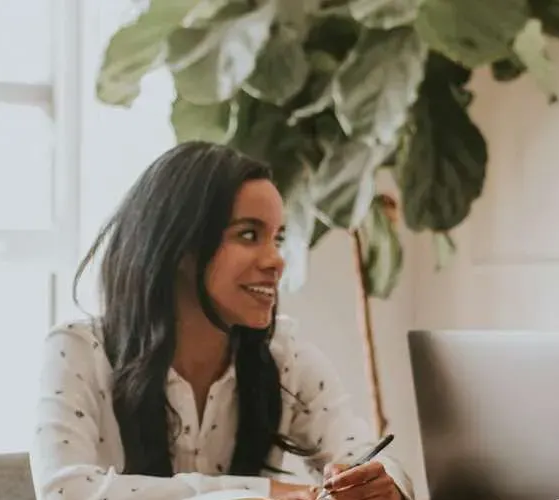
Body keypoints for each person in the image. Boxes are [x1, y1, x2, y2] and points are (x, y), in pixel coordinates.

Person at [32, 142, 414, 500]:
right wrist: (259, 494)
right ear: (181, 247)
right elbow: (66, 492)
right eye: (249, 235)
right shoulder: (80, 350)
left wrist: (383, 482)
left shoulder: (284, 356)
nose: (276, 261)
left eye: (277, 239)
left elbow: (365, 452)